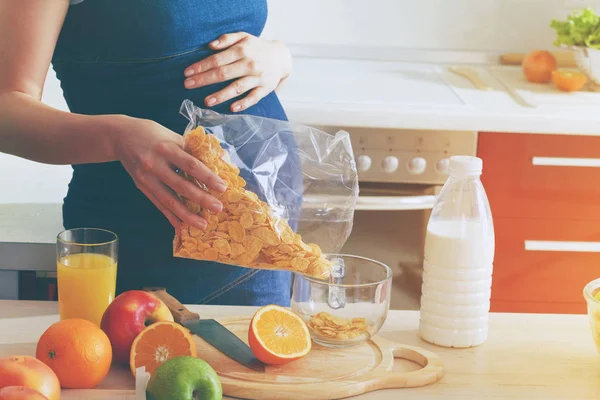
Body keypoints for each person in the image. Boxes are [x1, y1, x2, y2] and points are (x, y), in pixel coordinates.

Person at [0, 0, 297, 305]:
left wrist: (279, 57)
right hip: (153, 244)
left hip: (267, 236)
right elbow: (6, 109)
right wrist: (119, 137)